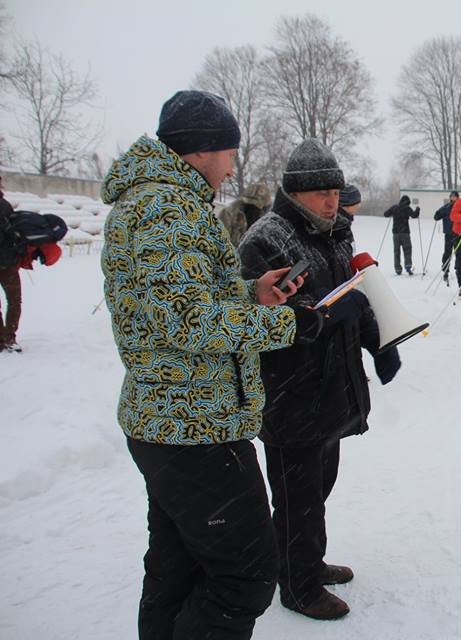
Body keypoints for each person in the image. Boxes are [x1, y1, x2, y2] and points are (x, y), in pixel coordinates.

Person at [100, 89, 321, 640]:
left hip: (182, 419)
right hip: (191, 425)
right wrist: (290, 325)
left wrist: (251, 295)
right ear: (203, 150)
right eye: (229, 151)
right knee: (245, 573)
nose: (231, 165)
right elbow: (184, 321)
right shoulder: (163, 209)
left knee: (178, 568)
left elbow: (177, 302)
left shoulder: (168, 202)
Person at [239, 139, 402, 622]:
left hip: (331, 386)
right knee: (298, 495)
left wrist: (379, 342)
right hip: (291, 391)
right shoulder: (266, 239)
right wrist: (327, 318)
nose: (331, 199)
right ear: (294, 193)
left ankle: (302, 560)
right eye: (319, 192)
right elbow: (271, 322)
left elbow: (357, 295)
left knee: (319, 485)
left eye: (335, 190)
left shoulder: (335, 233)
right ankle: (298, 584)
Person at [0, 176, 22, 353]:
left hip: (7, 262)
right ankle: (8, 336)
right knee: (14, 301)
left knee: (13, 301)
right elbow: (14, 234)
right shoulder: (5, 206)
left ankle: (4, 337)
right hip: (8, 263)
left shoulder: (5, 206)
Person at [217, 182, 272, 247]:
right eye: (250, 205)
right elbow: (219, 242)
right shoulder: (229, 214)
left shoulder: (269, 222)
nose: (254, 210)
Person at [383, 194, 420, 275]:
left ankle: (398, 269)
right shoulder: (407, 208)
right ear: (407, 202)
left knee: (396, 251)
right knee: (407, 250)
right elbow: (414, 215)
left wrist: (392, 212)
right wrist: (417, 209)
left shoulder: (395, 207)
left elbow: (385, 214)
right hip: (405, 233)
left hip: (396, 234)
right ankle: (408, 266)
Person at [433, 190, 458, 285]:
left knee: (458, 252)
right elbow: (436, 216)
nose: (453, 198)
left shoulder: (459, 206)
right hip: (448, 233)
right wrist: (438, 213)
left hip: (458, 233)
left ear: (457, 197)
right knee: (447, 251)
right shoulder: (447, 207)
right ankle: (445, 269)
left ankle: (458, 268)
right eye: (451, 196)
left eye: (454, 196)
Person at [337, 183, 362, 253]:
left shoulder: (344, 223)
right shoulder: (337, 226)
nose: (359, 206)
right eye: (357, 203)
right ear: (347, 205)